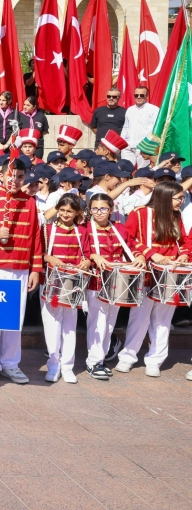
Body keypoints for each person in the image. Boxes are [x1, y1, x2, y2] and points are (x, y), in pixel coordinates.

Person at [0, 156, 42, 386]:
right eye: (12, 175)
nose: (16, 180)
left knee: (15, 319)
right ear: (1, 175)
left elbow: (35, 238)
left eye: (21, 177)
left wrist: (35, 270)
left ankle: (11, 363)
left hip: (20, 268)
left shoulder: (30, 202)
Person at [118, 180, 191, 377]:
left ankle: (155, 360)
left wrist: (183, 254)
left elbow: (183, 241)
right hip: (148, 272)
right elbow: (127, 239)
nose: (181, 201)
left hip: (170, 273)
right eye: (178, 198)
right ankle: (127, 357)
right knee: (139, 318)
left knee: (163, 320)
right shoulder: (140, 213)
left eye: (182, 198)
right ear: (165, 196)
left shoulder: (176, 216)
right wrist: (148, 254)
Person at [83, 193, 139, 380]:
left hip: (117, 282)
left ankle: (101, 359)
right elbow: (80, 251)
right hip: (95, 282)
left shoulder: (120, 229)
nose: (99, 212)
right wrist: (93, 256)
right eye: (95, 209)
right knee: (97, 323)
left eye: (103, 209)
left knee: (109, 323)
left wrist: (139, 256)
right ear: (90, 210)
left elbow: (132, 247)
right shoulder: (85, 229)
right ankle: (93, 362)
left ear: (111, 210)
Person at [41, 194, 89, 384]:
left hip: (73, 282)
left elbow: (87, 253)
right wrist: (48, 257)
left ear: (77, 212)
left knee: (70, 326)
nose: (65, 214)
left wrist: (86, 261)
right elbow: (38, 252)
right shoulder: (47, 229)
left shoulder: (82, 231)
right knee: (52, 325)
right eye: (62, 210)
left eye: (69, 211)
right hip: (51, 281)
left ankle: (68, 366)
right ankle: (53, 365)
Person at [120, 85, 158, 168]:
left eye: (142, 95)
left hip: (143, 147)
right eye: (136, 95)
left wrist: (148, 146)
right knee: (124, 170)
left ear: (147, 96)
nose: (139, 97)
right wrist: (122, 142)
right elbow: (126, 127)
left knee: (142, 172)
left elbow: (155, 129)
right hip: (128, 146)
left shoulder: (154, 109)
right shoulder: (130, 109)